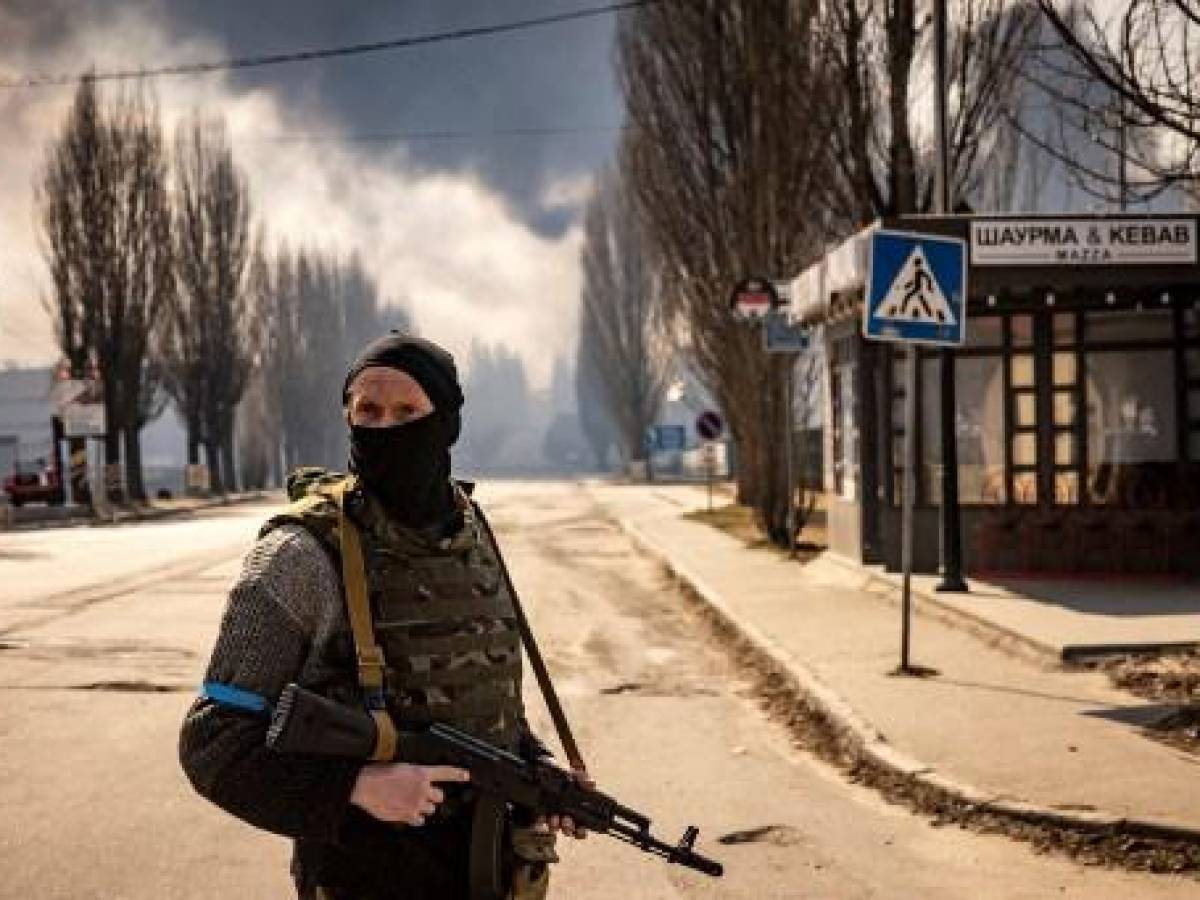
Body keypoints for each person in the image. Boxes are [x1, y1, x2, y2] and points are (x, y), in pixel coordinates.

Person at [180, 332, 587, 900]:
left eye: (407, 412)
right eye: (368, 411)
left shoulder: (472, 535)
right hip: (365, 877)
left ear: (445, 423)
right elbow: (211, 744)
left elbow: (480, 694)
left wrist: (535, 769)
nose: (386, 429)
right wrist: (355, 786)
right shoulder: (301, 556)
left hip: (491, 874)